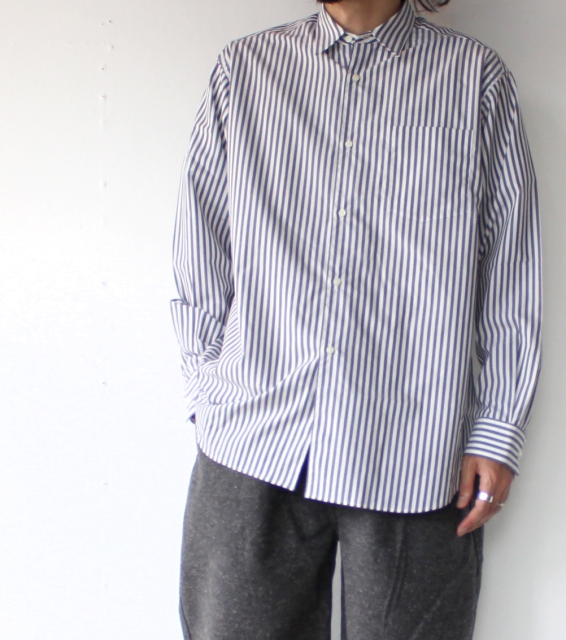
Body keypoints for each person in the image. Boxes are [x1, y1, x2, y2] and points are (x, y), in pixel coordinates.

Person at [170, 0, 542, 637]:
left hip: (413, 447)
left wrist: (496, 428)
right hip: (254, 437)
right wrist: (209, 388)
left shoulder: (474, 79)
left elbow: (511, 266)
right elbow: (201, 239)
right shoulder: (246, 70)